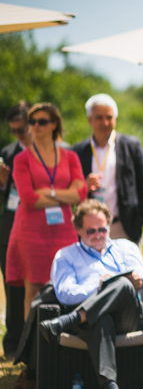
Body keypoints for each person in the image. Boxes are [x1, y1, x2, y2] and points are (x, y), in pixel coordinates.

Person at [39, 200, 143, 389]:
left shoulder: (126, 247)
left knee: (122, 283)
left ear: (108, 226)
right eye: (91, 231)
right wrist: (97, 287)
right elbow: (65, 294)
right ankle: (109, 384)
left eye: (103, 229)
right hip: (92, 321)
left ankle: (70, 319)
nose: (98, 235)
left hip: (128, 315)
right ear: (79, 230)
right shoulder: (66, 256)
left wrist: (138, 279)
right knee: (100, 318)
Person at [6, 102, 87, 317]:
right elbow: (29, 199)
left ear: (54, 124)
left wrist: (48, 192)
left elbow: (81, 194)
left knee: (66, 286)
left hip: (63, 231)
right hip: (31, 233)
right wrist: (64, 194)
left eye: (41, 121)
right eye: (32, 122)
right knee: (33, 290)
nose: (35, 126)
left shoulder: (70, 157)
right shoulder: (21, 159)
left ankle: (60, 347)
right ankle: (32, 348)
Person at [72, 93, 143, 243]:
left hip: (123, 227)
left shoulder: (131, 145)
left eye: (109, 117)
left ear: (115, 119)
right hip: (89, 229)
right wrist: (85, 186)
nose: (105, 122)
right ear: (89, 120)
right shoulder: (78, 151)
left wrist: (139, 220)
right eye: (99, 117)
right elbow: (69, 189)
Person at [0, 101, 32, 354]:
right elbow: (6, 197)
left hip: (41, 227)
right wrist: (1, 183)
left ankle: (35, 340)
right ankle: (12, 342)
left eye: (22, 129)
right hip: (11, 227)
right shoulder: (7, 153)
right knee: (12, 284)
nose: (18, 135)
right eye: (14, 131)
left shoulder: (48, 151)